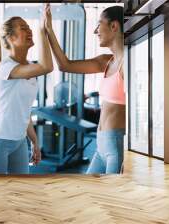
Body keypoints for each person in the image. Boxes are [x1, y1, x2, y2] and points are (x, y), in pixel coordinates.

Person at [44, 4, 125, 174]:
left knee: (109, 199)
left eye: (99, 24)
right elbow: (64, 65)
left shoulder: (128, 64)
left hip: (116, 146)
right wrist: (49, 30)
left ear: (114, 26)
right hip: (101, 144)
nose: (96, 31)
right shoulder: (106, 61)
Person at [0, 9, 53, 174]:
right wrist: (43, 31)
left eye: (29, 27)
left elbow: (24, 112)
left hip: (19, 141)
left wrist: (34, 141)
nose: (29, 30)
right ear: (11, 38)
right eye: (23, 28)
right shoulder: (6, 67)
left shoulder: (30, 68)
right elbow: (47, 66)